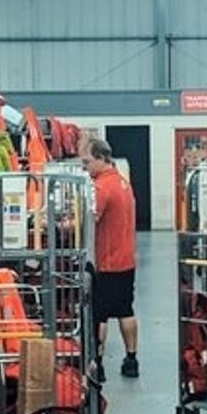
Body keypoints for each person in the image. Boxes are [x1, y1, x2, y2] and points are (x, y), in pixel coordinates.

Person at [83, 137, 139, 378]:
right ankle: (131, 359)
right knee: (126, 309)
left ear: (101, 158)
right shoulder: (123, 182)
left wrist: (64, 224)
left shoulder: (102, 187)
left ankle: (98, 363)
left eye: (87, 161)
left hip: (107, 262)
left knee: (101, 314)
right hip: (126, 258)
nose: (85, 167)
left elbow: (89, 219)